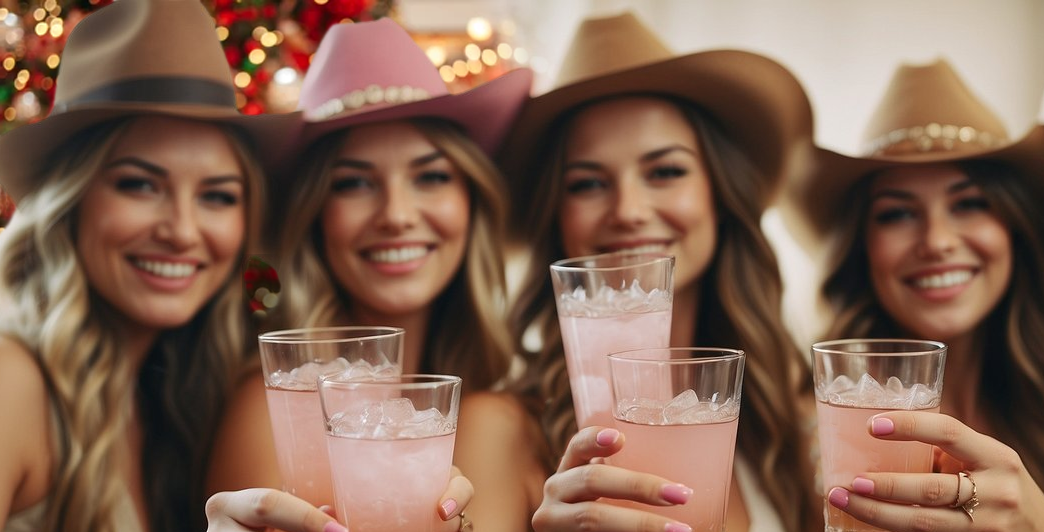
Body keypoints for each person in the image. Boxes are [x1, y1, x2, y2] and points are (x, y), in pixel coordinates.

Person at [459, 12, 823, 532]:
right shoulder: (496, 430)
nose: (628, 209)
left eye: (665, 171)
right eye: (587, 183)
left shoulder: (786, 429)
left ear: (719, 198)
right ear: (555, 217)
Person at [0, 0, 331, 530]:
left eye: (218, 196)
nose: (181, 230)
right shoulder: (10, 378)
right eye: (139, 184)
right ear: (71, 202)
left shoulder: (178, 393)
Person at [205, 17, 533, 532]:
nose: (397, 214)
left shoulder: (508, 405)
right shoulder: (280, 406)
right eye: (355, 183)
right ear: (314, 215)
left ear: (471, 200)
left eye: (430, 176)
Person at [780, 58, 1044, 530]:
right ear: (862, 248)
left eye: (969, 204)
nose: (937, 241)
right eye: (897, 214)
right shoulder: (797, 430)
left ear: (1015, 228)